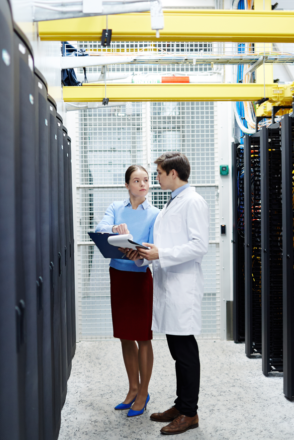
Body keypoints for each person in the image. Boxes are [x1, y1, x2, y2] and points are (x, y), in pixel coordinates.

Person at [124, 152, 209, 435]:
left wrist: (162, 253)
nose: (155, 178)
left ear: (174, 173)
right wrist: (144, 252)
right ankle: (181, 404)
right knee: (177, 351)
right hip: (169, 284)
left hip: (182, 288)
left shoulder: (193, 201)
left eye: (158, 173)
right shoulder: (173, 202)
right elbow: (168, 243)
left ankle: (190, 413)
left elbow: (199, 246)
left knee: (185, 353)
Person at [94, 165, 160, 417]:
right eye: (136, 180)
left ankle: (143, 393)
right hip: (118, 276)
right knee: (125, 335)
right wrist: (115, 229)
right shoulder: (115, 208)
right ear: (127, 185)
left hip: (140, 276)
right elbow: (101, 229)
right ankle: (132, 389)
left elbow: (153, 249)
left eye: (146, 180)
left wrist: (139, 257)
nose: (143, 184)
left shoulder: (155, 214)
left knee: (143, 336)